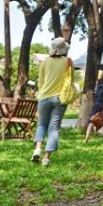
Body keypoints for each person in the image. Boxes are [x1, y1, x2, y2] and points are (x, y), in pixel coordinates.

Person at [31, 37, 72, 166]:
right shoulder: (68, 62)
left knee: (42, 124)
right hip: (60, 98)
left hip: (44, 97)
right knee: (54, 129)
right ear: (63, 50)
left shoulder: (44, 62)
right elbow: (69, 80)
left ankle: (37, 149)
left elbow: (41, 82)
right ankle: (46, 158)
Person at [85, 69, 103, 142]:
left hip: (97, 103)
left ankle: (86, 139)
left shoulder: (98, 82)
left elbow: (95, 93)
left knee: (92, 120)